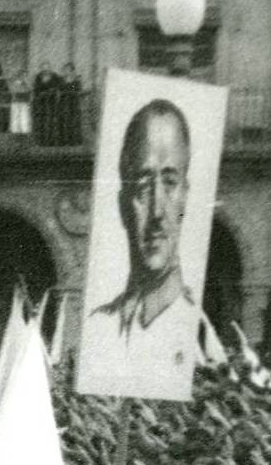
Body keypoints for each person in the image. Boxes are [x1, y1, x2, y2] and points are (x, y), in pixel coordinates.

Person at [81, 99, 203, 380]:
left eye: (170, 183)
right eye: (143, 186)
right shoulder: (99, 325)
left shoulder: (193, 328)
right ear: (123, 204)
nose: (157, 211)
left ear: (185, 196)